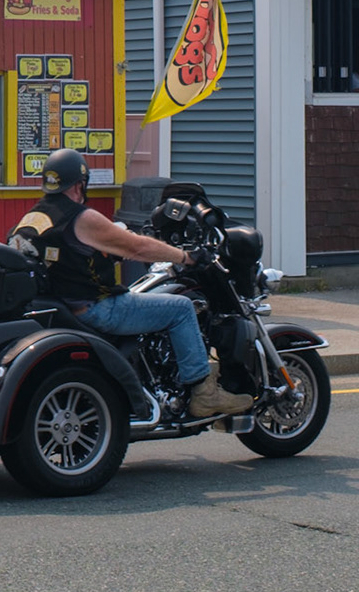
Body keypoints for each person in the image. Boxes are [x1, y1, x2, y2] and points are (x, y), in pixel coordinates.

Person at [13, 148, 253, 419]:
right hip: (97, 309)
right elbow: (137, 248)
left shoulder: (35, 216)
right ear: (80, 184)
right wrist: (186, 257)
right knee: (182, 308)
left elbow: (67, 256)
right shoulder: (82, 217)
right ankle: (203, 392)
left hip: (63, 305)